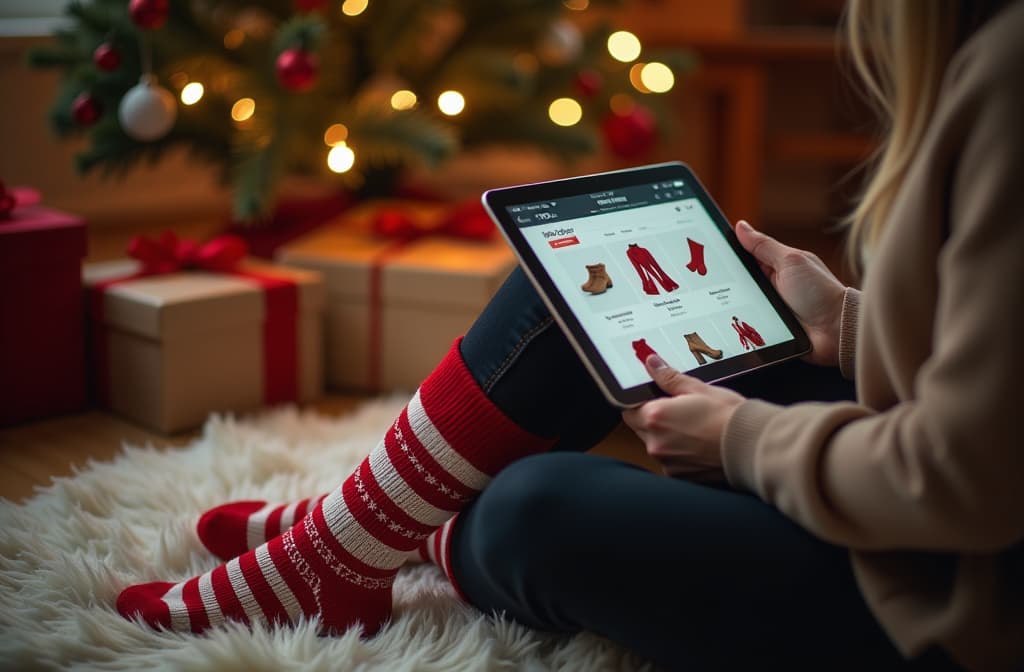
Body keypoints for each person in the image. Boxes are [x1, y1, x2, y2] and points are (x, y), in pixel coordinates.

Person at [116, 0, 1024, 669]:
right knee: (573, 294)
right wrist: (849, 325)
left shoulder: (1006, 73)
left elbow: (969, 478)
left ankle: (372, 537)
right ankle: (352, 538)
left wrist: (745, 442)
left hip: (967, 593)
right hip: (955, 505)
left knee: (532, 506)